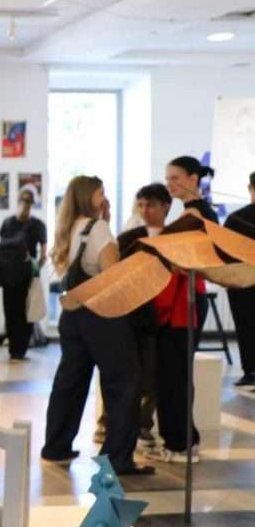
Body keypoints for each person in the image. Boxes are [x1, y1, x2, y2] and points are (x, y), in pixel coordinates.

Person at [41, 176, 153, 475]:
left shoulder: (68, 228)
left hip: (73, 314)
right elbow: (112, 273)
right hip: (102, 316)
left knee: (70, 382)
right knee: (123, 383)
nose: (104, 197)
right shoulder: (98, 228)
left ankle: (56, 447)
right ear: (88, 196)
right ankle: (117, 458)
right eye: (100, 192)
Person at [145, 156, 218, 463]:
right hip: (183, 297)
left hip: (184, 300)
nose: (169, 184)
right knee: (175, 373)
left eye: (175, 178)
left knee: (174, 374)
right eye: (167, 178)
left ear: (193, 179)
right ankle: (182, 440)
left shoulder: (195, 213)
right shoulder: (193, 211)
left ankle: (179, 444)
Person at [95, 184, 172, 449]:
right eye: (141, 205)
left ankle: (142, 425)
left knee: (151, 373)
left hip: (159, 314)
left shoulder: (173, 238)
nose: (145, 210)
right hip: (130, 311)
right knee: (121, 371)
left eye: (150, 205)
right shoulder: (129, 238)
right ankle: (107, 423)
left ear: (165, 206)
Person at [0, 189, 47, 361]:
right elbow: (43, 255)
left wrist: (35, 272)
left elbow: (43, 255)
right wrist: (36, 270)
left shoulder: (11, 223)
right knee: (20, 312)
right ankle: (18, 349)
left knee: (15, 311)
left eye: (27, 203)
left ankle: (16, 349)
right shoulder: (34, 225)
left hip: (15, 275)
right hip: (18, 275)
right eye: (24, 202)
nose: (25, 206)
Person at [225, 172, 255, 389]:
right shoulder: (236, 219)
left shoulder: (235, 218)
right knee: (245, 325)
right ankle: (250, 370)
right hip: (242, 282)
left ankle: (250, 371)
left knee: (246, 326)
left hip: (242, 282)